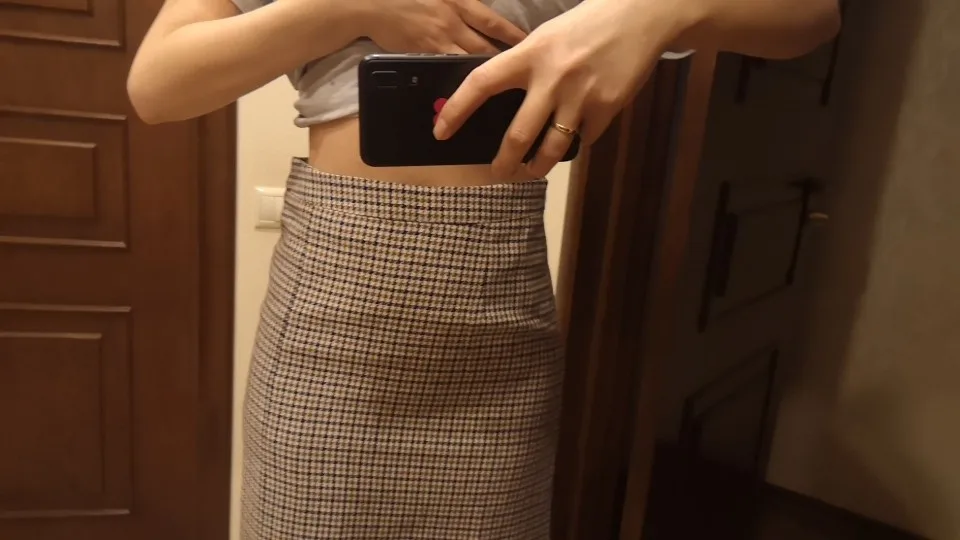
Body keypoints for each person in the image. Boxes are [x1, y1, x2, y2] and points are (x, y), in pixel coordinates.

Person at [128, 0, 840, 538]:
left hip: (502, 320)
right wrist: (347, 8)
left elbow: (812, 15)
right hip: (331, 322)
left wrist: (655, 10)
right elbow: (158, 84)